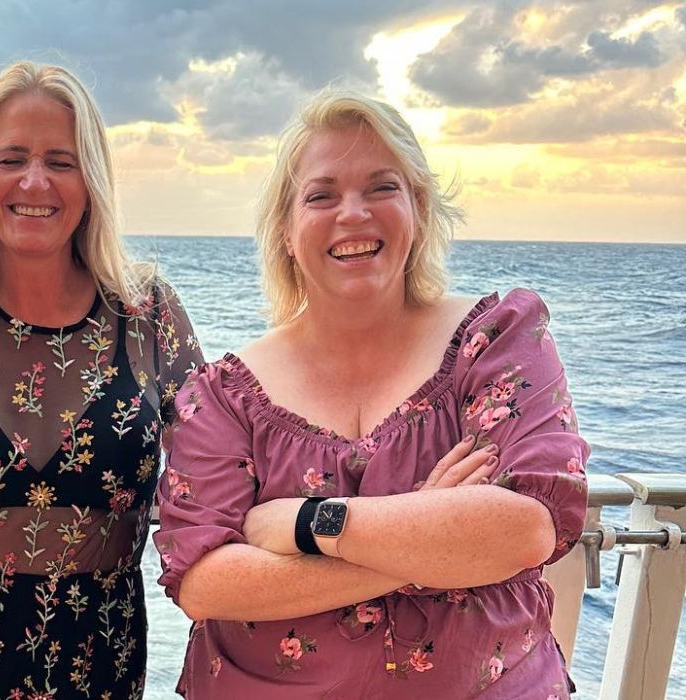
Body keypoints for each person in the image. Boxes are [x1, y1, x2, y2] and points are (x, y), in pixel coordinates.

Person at [154, 89, 589, 698]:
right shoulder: (224, 395)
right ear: (285, 230)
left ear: (419, 207)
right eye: (321, 194)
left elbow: (525, 530)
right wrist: (431, 534)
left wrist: (305, 522)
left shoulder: (494, 341)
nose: (352, 214)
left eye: (381, 188)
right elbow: (206, 584)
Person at [0, 61, 203, 699]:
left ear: (92, 179)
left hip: (103, 663)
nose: (34, 181)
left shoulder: (148, 315)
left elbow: (221, 482)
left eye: (61, 161)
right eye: (12, 158)